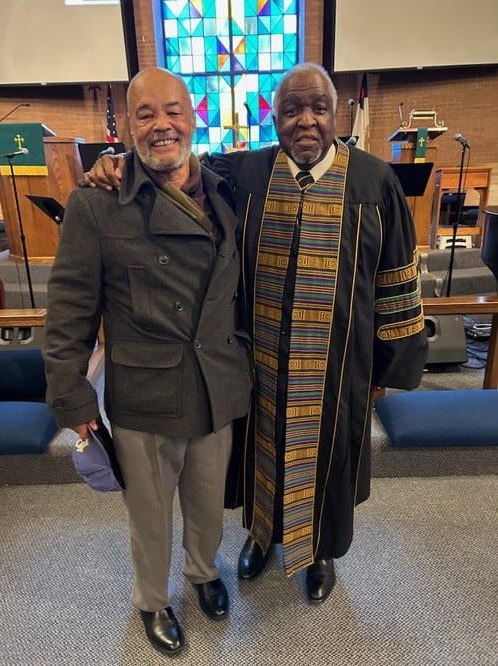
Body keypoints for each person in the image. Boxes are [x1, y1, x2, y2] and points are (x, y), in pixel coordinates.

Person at [85, 62, 428, 605]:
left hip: (336, 366)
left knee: (325, 460)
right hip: (259, 361)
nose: (306, 121)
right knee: (261, 452)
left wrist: (388, 368)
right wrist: (119, 162)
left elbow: (395, 280)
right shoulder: (246, 172)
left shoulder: (373, 181)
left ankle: (318, 552)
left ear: (336, 115)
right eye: (291, 110)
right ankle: (263, 535)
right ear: (275, 119)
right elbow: (170, 166)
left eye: (318, 108)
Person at [43, 67, 253, 657]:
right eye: (146, 114)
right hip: (147, 392)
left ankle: (204, 572)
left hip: (216, 381)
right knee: (150, 513)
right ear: (128, 127)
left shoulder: (226, 190)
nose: (162, 125)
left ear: (193, 116)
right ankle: (153, 600)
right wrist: (71, 395)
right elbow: (70, 308)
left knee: (208, 503)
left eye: (173, 111)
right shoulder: (96, 202)